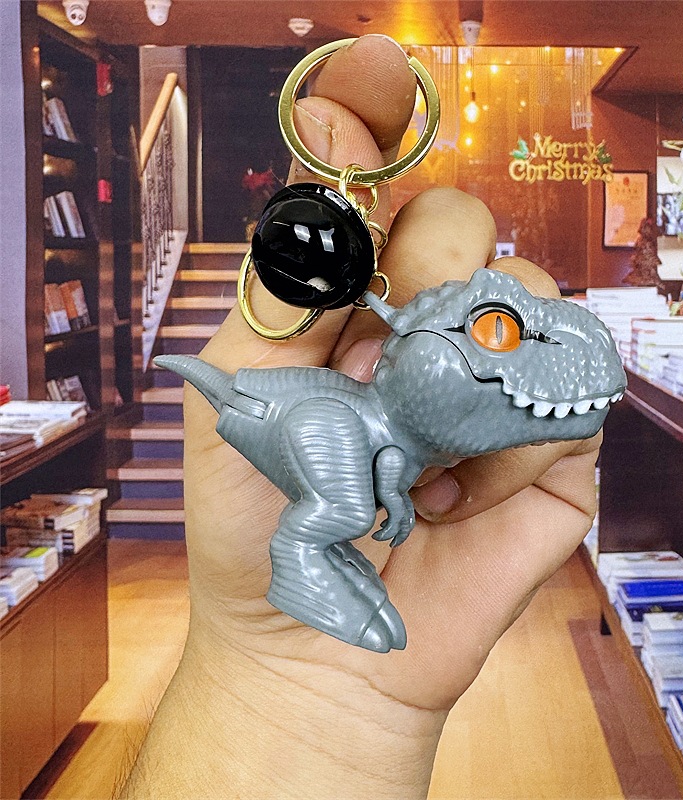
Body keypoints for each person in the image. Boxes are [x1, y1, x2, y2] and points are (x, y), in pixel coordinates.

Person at [120, 34, 602, 799]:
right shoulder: (383, 378)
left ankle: (319, 559)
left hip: (340, 422)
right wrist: (253, 669)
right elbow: (383, 460)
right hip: (314, 421)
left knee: (358, 495)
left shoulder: (405, 420)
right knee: (342, 509)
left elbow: (394, 461)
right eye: (491, 331)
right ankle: (301, 560)